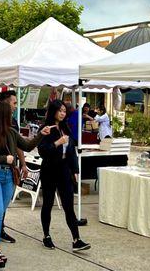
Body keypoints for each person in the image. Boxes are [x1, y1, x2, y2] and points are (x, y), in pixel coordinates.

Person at [0, 101, 42, 268]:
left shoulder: (11, 133)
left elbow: (27, 146)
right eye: (10, 113)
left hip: (8, 178)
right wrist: (3, 159)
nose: (12, 115)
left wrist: (42, 133)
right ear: (2, 115)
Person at [38, 100, 91, 252]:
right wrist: (57, 142)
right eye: (60, 111)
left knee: (69, 206)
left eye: (64, 111)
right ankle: (46, 236)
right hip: (49, 170)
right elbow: (42, 150)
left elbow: (72, 151)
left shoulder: (65, 127)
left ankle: (76, 239)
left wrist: (75, 170)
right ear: (54, 111)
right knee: (48, 204)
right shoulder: (46, 128)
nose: (62, 113)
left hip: (64, 170)